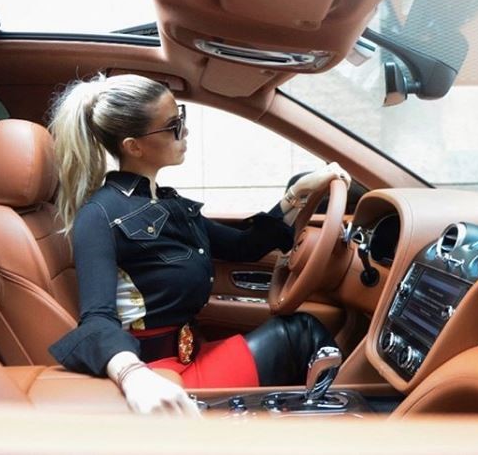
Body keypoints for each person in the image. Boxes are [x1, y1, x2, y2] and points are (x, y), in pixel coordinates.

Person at [48, 74, 351, 416]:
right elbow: (96, 319)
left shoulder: (166, 201)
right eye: (173, 126)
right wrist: (134, 376)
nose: (185, 131)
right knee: (301, 334)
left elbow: (244, 246)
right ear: (134, 146)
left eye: (181, 117)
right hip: (160, 373)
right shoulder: (99, 215)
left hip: (191, 353)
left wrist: (297, 194)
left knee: (302, 330)